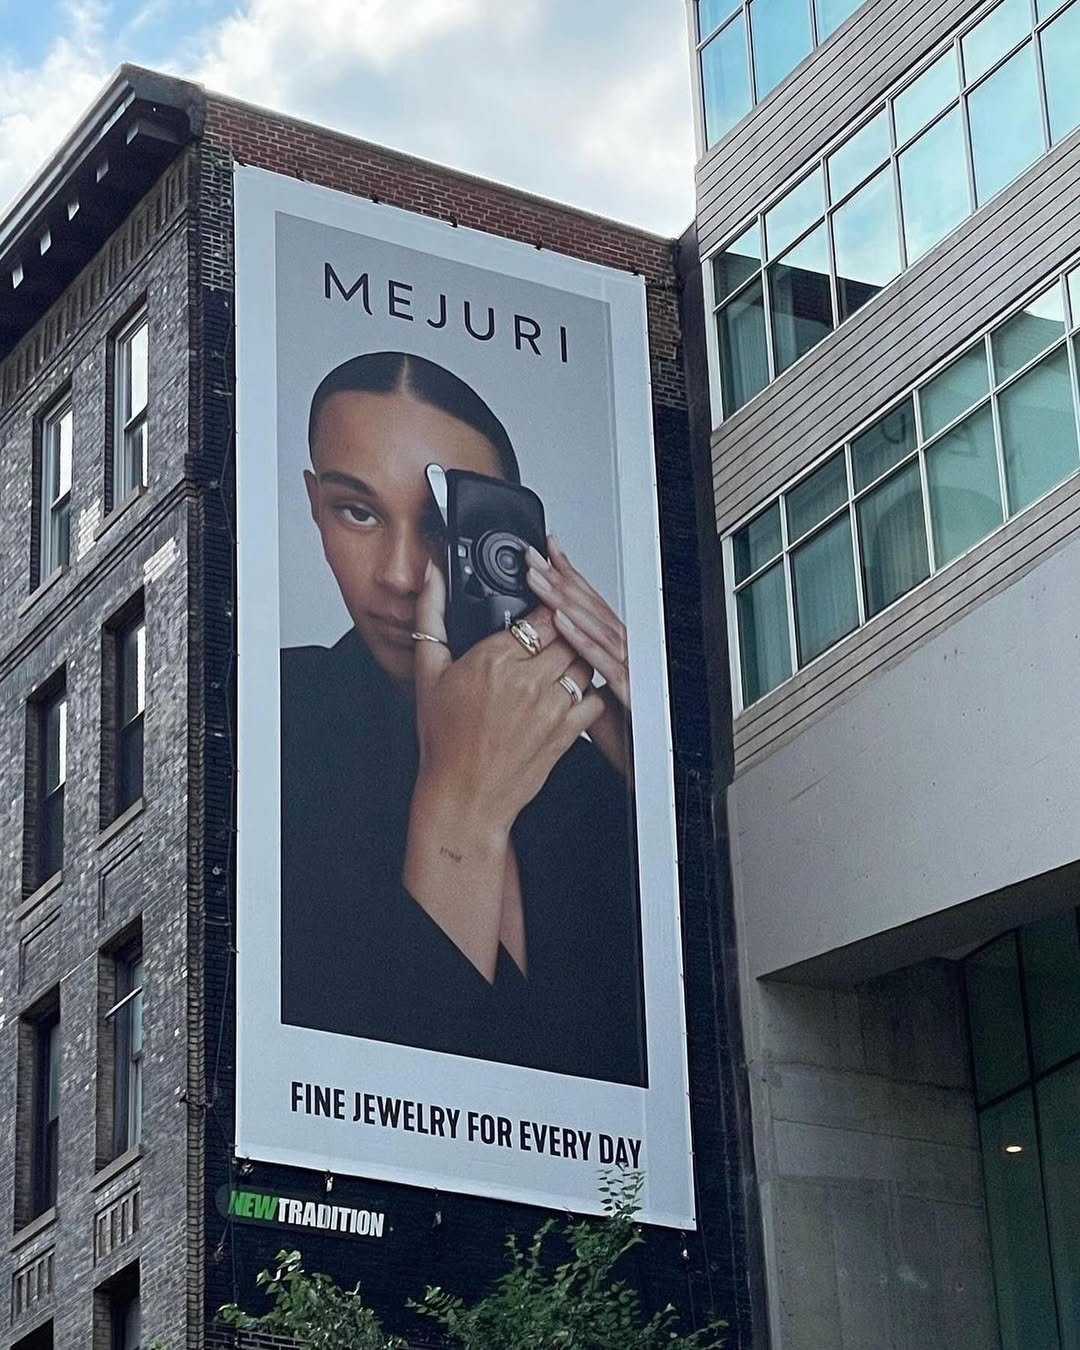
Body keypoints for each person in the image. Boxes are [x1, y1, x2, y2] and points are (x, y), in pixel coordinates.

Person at [280, 351, 646, 1085]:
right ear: (314, 505)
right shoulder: (271, 720)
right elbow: (379, 1107)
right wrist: (458, 815)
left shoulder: (604, 761)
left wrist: (662, 780)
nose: (400, 575)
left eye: (445, 528)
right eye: (357, 511)